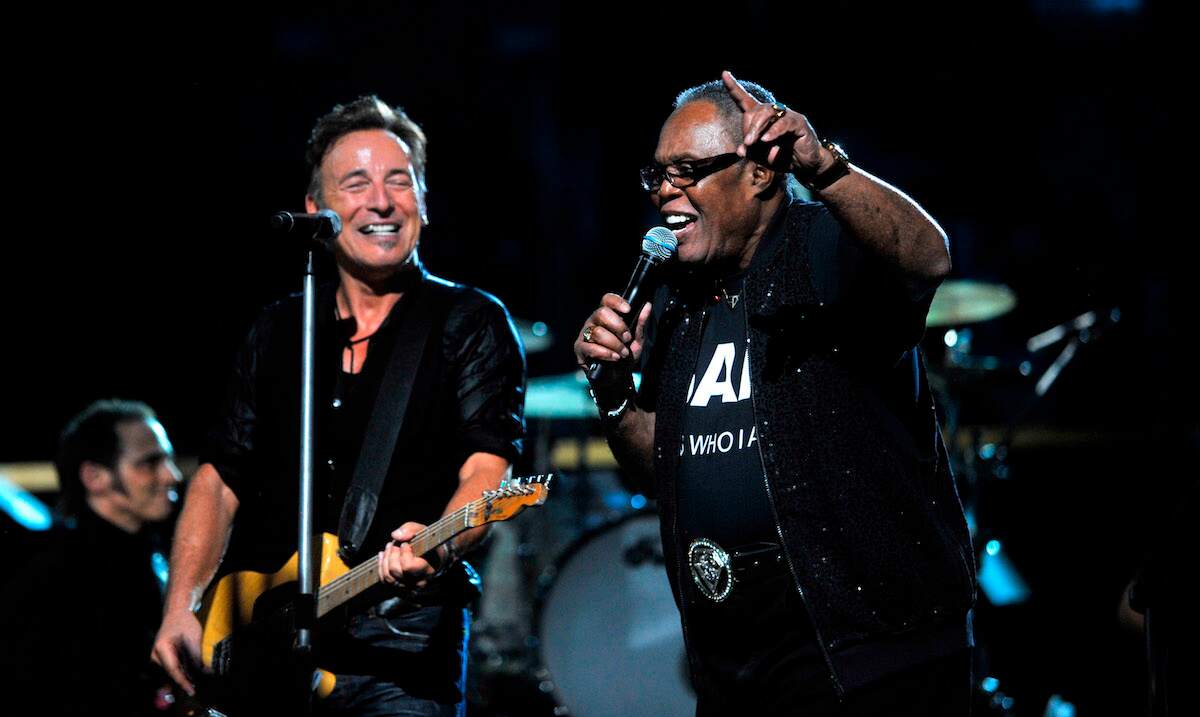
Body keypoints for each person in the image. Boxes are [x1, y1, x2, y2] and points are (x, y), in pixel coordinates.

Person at [574, 71, 976, 715]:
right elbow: (664, 467)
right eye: (658, 175)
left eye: (688, 171)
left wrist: (824, 166)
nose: (666, 191)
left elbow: (928, 259)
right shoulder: (675, 296)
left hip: (865, 654)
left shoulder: (827, 245)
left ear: (760, 172)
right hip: (735, 662)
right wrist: (615, 391)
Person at [151, 95, 526, 715]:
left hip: (401, 644)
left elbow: (487, 469)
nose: (381, 202)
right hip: (265, 639)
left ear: (424, 201)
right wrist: (179, 605)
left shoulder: (469, 321)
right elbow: (219, 479)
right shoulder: (279, 329)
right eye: (356, 184)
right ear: (315, 209)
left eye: (399, 181)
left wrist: (439, 547)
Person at [0, 399, 182, 716]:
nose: (172, 475)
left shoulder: (153, 552)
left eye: (169, 459)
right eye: (150, 463)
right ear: (94, 476)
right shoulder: (56, 576)